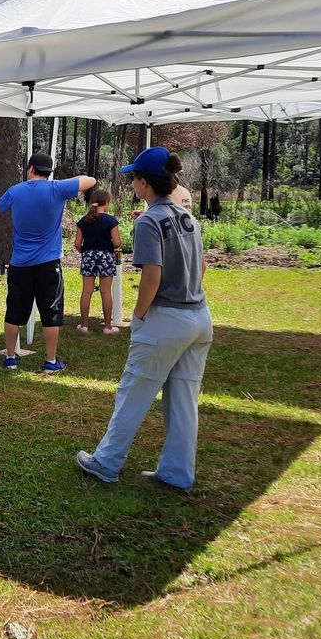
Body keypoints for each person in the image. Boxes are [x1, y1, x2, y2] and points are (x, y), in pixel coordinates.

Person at [76, 147, 213, 489]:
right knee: (183, 401)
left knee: (133, 392)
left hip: (166, 319)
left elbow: (152, 275)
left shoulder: (150, 220)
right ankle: (177, 473)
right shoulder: (188, 218)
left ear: (145, 183)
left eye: (134, 178)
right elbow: (203, 266)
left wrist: (138, 316)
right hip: (199, 316)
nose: (132, 183)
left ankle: (106, 461)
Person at [0, 153, 97, 373]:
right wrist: (62, 184)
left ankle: (10, 358)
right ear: (49, 172)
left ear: (30, 169)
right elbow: (90, 180)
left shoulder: (15, 191)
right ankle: (51, 361)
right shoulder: (57, 189)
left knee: (14, 311)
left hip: (20, 264)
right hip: (49, 264)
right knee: (51, 312)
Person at [74, 188, 122, 334]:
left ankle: (84, 325)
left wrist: (87, 252)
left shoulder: (83, 221)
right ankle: (108, 327)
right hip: (106, 256)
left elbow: (77, 244)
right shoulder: (110, 221)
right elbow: (117, 242)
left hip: (88, 256)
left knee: (86, 291)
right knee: (106, 291)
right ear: (106, 203)